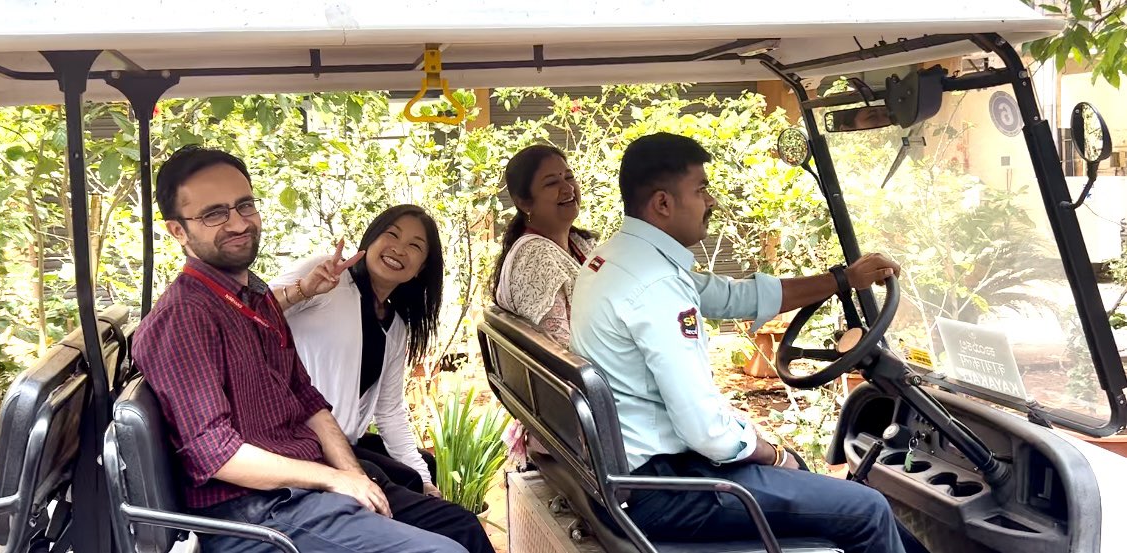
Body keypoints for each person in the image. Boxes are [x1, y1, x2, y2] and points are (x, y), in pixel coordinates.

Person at [569, 132, 926, 553]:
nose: (712, 202)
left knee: (851, 500)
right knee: (866, 510)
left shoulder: (619, 258)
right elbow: (706, 432)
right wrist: (772, 453)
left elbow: (733, 296)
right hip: (665, 488)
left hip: (638, 472)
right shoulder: (656, 286)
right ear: (663, 203)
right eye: (701, 190)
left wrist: (841, 280)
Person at [132, 145, 467, 553]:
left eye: (244, 206)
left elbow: (309, 400)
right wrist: (333, 478)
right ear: (178, 231)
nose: (237, 223)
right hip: (257, 513)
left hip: (305, 488)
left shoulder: (253, 299)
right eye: (214, 214)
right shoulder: (184, 316)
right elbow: (216, 455)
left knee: (457, 527)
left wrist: (351, 473)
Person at [269, 205, 495, 553]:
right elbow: (248, 313)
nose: (399, 249)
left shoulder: (395, 326)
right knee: (459, 525)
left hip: (343, 446)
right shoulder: (326, 281)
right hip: (301, 450)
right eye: (391, 234)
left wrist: (422, 480)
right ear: (371, 237)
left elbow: (389, 412)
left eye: (415, 246)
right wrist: (305, 288)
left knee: (419, 474)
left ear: (421, 269)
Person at [492, 144, 596, 347]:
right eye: (551, 183)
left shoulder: (578, 243)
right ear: (524, 203)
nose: (567, 188)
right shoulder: (536, 257)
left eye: (569, 177)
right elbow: (560, 353)